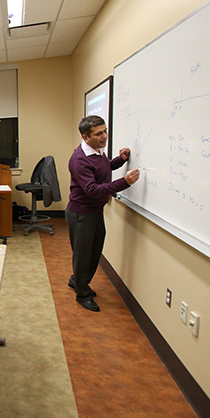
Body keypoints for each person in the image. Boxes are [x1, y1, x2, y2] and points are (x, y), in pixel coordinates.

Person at [66, 115, 140, 312]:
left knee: (93, 251)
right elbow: (93, 189)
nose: (104, 136)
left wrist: (120, 160)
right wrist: (125, 182)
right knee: (83, 256)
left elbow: (104, 167)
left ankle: (77, 281)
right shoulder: (80, 159)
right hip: (81, 214)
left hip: (94, 212)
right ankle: (82, 294)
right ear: (85, 137)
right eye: (98, 134)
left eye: (105, 131)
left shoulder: (96, 152)